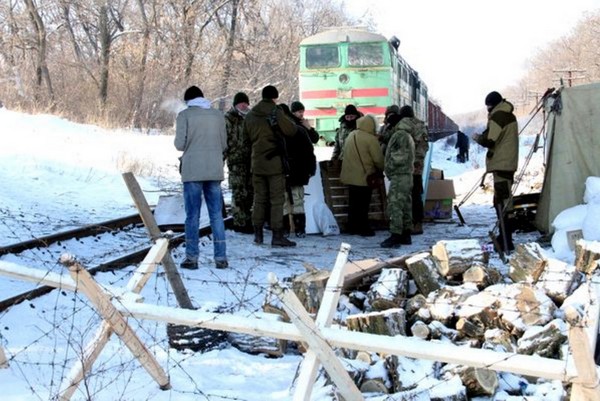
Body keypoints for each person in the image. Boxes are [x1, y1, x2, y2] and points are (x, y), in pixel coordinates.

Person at [175, 86, 228, 269]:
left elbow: (179, 144)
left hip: (192, 171)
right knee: (216, 215)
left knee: (192, 216)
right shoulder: (217, 115)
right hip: (214, 169)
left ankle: (192, 258)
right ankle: (221, 258)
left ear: (188, 100)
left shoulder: (184, 115)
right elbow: (224, 144)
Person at [243, 85, 298, 247]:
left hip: (257, 163)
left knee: (259, 199)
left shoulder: (250, 115)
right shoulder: (276, 111)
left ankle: (258, 235)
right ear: (274, 98)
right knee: (276, 200)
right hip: (274, 164)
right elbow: (291, 130)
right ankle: (277, 236)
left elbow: (244, 140)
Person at [472, 91, 519, 253]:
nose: (487, 109)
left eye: (488, 106)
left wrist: (478, 137)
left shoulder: (499, 116)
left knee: (503, 202)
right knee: (502, 200)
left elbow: (490, 139)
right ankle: (504, 237)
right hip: (506, 163)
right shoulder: (505, 114)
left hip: (502, 164)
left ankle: (506, 241)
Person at [340, 114, 384, 236]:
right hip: (364, 177)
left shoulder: (351, 135)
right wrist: (382, 168)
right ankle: (363, 228)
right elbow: (378, 160)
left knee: (353, 203)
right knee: (363, 204)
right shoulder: (370, 139)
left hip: (350, 176)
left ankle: (351, 226)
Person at [280, 103, 317, 237]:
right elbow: (309, 151)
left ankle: (285, 229)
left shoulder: (275, 132)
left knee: (284, 201)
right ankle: (300, 229)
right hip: (298, 172)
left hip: (283, 172)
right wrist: (310, 169)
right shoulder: (299, 129)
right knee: (297, 200)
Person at [380, 110, 416, 248]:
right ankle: (406, 234)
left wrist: (389, 166)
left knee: (395, 204)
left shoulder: (400, 135)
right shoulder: (406, 134)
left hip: (400, 174)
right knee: (405, 204)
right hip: (405, 175)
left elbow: (399, 157)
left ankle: (395, 235)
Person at [397, 105, 429, 235]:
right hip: (418, 166)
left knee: (405, 195)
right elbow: (425, 146)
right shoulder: (422, 126)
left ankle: (407, 223)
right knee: (416, 194)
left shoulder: (402, 125)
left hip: (406, 166)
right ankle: (418, 223)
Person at [225, 92, 254, 234]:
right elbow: (225, 140)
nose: (244, 105)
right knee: (238, 192)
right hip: (236, 161)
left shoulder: (250, 118)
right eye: (241, 103)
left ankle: (247, 220)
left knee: (250, 192)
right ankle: (239, 222)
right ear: (235, 104)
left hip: (250, 160)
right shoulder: (228, 119)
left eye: (246, 103)